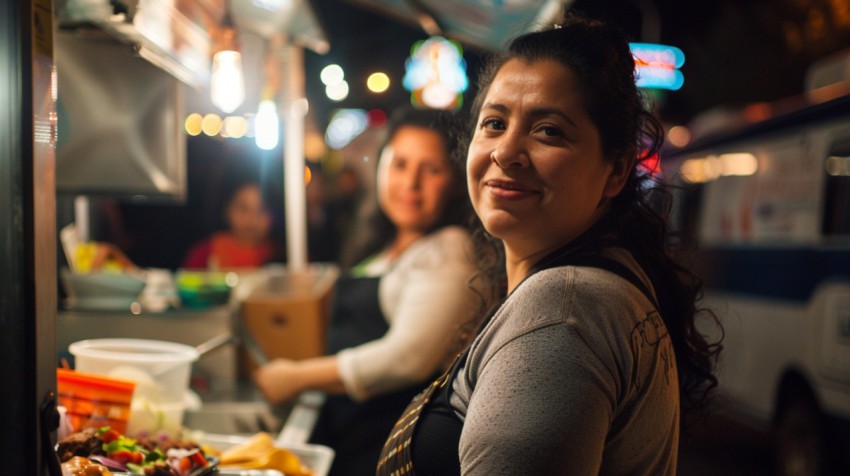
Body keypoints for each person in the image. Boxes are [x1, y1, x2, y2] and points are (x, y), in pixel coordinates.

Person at [376, 14, 723, 476]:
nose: (505, 152)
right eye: (494, 123)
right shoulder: (587, 286)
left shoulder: (563, 311)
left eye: (549, 131)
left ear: (616, 171)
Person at [253, 107, 485, 476]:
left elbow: (408, 358)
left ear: (456, 181)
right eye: (400, 164)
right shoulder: (384, 245)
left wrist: (297, 377)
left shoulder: (449, 248)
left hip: (388, 447)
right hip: (352, 438)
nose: (411, 183)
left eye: (432, 169)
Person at [182, 180, 280, 269]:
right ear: (227, 210)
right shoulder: (205, 253)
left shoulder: (282, 255)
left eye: (261, 210)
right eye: (243, 209)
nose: (252, 219)